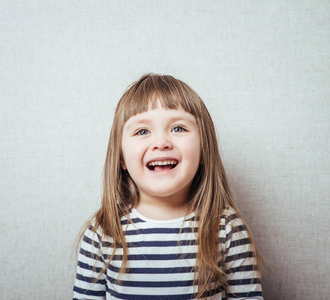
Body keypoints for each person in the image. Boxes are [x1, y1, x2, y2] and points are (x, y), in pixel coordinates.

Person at [73, 74, 263, 299]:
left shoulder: (227, 229)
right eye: (142, 131)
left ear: (204, 150)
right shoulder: (101, 232)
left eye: (179, 128)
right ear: (121, 158)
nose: (161, 142)